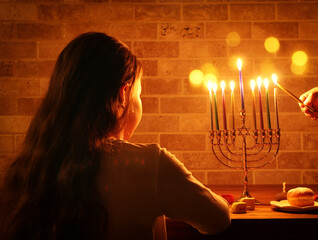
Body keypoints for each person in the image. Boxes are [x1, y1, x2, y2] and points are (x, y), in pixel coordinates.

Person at [0, 32, 230, 240]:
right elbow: (218, 219)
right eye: (139, 94)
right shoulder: (151, 164)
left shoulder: (23, 172)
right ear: (124, 93)